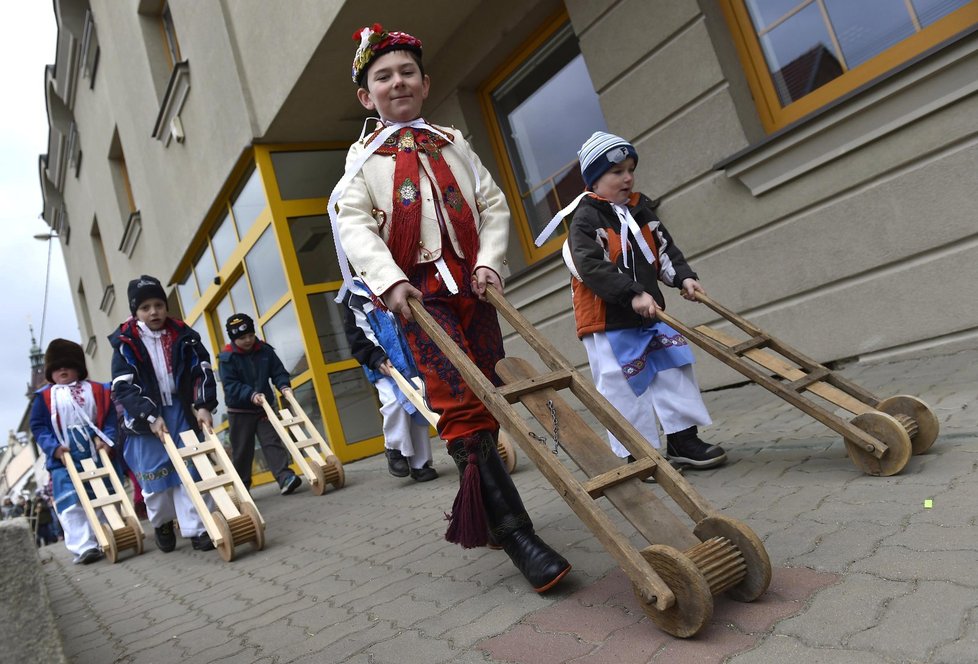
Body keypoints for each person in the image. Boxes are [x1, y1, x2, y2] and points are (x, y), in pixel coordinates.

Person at [332, 24, 570, 593]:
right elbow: (355, 225)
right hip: (418, 295)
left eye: (406, 72)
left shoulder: (453, 141)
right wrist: (388, 282)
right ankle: (517, 534)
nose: (397, 83)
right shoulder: (363, 163)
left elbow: (490, 202)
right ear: (368, 96)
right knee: (459, 402)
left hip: (473, 286)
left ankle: (484, 514)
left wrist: (491, 261)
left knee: (491, 389)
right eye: (383, 77)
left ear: (424, 82)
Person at [552, 131, 727, 469]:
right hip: (608, 321)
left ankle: (683, 440)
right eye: (617, 172)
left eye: (631, 169)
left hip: (650, 315)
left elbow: (663, 250)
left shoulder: (640, 210)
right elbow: (591, 266)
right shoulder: (586, 219)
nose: (628, 178)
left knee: (673, 368)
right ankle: (638, 453)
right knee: (623, 386)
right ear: (594, 178)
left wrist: (684, 277)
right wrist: (630, 294)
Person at [108, 275, 218, 553]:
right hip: (144, 420)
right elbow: (124, 389)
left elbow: (201, 371)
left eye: (158, 304)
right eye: (145, 307)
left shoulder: (184, 336)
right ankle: (163, 522)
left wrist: (203, 404)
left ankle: (198, 528)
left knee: (191, 469)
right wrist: (149, 416)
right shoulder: (126, 344)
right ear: (136, 312)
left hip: (180, 411)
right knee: (156, 480)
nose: (153, 311)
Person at [29, 338, 116, 564]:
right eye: (57, 367)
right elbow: (38, 426)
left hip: (94, 454)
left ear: (78, 367)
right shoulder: (45, 397)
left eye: (67, 365)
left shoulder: (97, 390)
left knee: (100, 495)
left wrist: (107, 440)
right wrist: (54, 448)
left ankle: (105, 536)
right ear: (50, 372)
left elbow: (108, 418)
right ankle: (84, 546)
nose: (63, 370)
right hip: (64, 459)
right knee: (72, 503)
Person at [342, 282, 437, 482]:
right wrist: (375, 357)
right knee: (395, 403)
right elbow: (359, 334)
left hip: (410, 358)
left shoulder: (392, 279)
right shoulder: (354, 295)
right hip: (383, 366)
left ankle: (420, 464)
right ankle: (394, 448)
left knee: (419, 406)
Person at [218, 313, 301, 495]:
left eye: (250, 335)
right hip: (239, 411)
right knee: (242, 450)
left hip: (263, 408)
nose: (248, 340)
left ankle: (285, 477)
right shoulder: (227, 358)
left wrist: (284, 385)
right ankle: (242, 487)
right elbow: (231, 385)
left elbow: (278, 371)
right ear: (233, 338)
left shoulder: (264, 350)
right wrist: (251, 394)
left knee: (272, 441)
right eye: (242, 338)